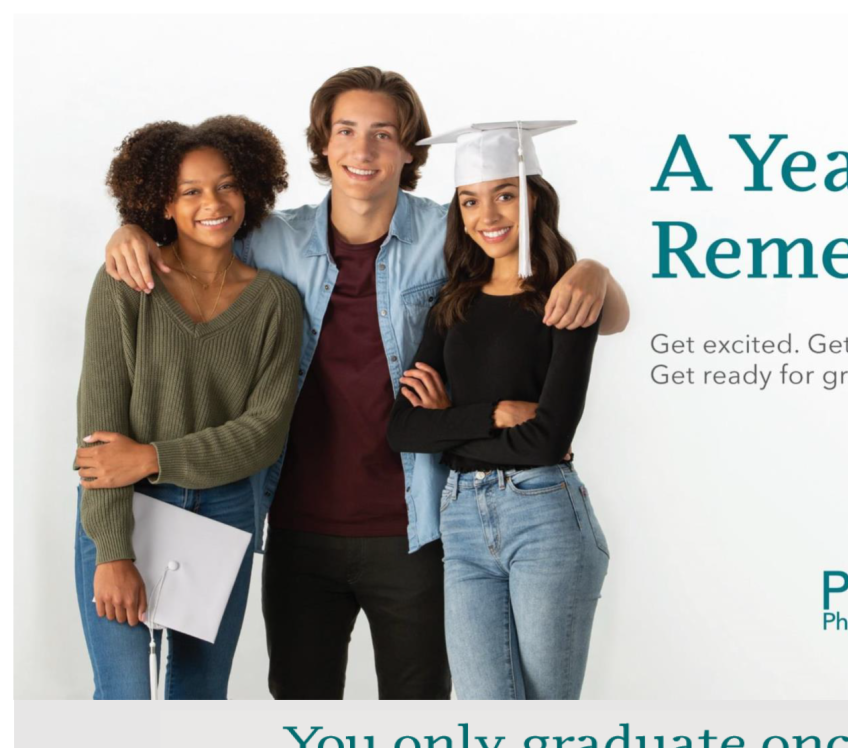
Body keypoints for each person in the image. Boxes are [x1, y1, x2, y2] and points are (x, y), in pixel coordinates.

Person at [103, 67, 628, 701]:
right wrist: (132, 231)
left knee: (419, 713)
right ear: (323, 144)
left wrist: (594, 270)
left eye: (384, 133)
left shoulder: (450, 231)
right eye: (346, 130)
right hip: (297, 525)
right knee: (300, 710)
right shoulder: (273, 239)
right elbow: (194, 232)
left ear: (410, 151)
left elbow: (548, 276)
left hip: (418, 525)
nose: (363, 148)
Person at [77, 117, 303, 699]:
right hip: (124, 508)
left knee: (198, 702)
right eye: (191, 192)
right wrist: (112, 551)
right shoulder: (125, 285)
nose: (214, 203)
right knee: (124, 696)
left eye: (227, 185)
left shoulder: (275, 302)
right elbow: (99, 442)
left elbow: (263, 434)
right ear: (163, 205)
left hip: (226, 510)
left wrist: (151, 456)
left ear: (249, 189)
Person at [387, 122, 608, 700]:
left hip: (544, 513)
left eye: (505, 194)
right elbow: (404, 427)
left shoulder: (565, 298)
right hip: (460, 518)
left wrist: (453, 425)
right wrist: (493, 413)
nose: (488, 213)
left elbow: (547, 438)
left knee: (544, 717)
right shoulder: (452, 302)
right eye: (470, 200)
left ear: (534, 198)